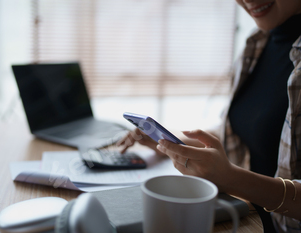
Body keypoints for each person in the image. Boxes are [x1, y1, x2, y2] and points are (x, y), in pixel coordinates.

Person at [117, 0, 301, 232]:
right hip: (246, 215)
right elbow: (244, 136)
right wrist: (170, 142)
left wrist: (232, 179)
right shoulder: (257, 43)